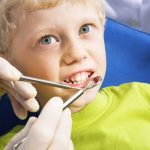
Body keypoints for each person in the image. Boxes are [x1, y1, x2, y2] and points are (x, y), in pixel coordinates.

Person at [0, 0, 150, 150]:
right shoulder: (15, 145)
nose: (77, 53)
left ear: (103, 28)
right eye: (47, 40)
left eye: (85, 29)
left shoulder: (143, 96)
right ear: (8, 62)